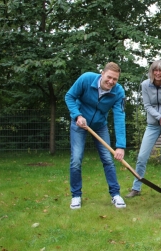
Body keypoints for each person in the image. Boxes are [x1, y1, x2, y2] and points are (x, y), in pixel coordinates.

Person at [65, 62, 127, 210]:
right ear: (102, 73)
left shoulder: (118, 92)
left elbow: (119, 117)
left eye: (115, 79)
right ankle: (76, 196)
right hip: (80, 123)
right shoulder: (86, 79)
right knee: (76, 159)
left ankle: (115, 194)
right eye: (109, 77)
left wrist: (120, 146)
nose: (111, 82)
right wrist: (77, 115)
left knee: (107, 159)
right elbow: (69, 97)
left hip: (100, 126)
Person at [126, 60, 161, 200]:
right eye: (156, 70)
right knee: (142, 156)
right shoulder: (145, 85)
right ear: (152, 71)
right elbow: (147, 106)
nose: (158, 73)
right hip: (153, 124)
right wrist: (159, 117)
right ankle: (136, 187)